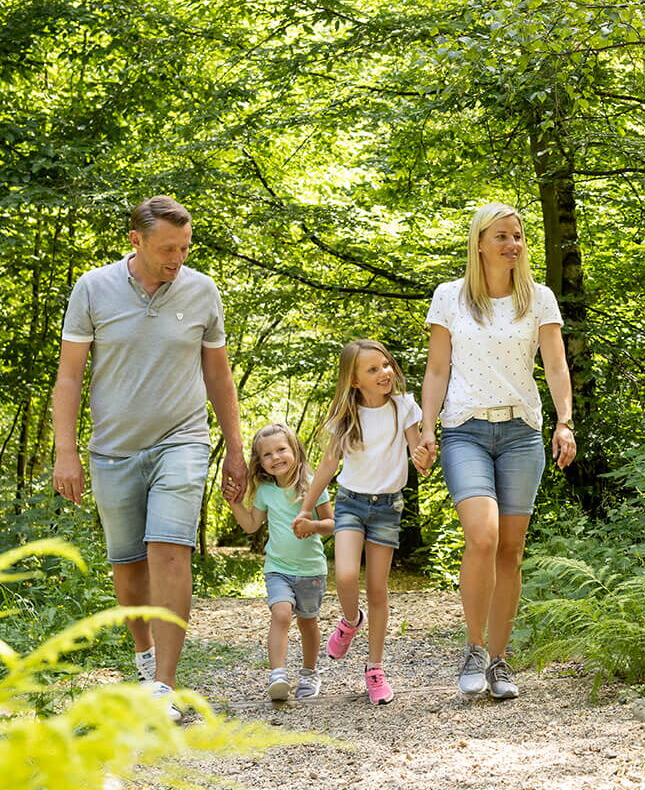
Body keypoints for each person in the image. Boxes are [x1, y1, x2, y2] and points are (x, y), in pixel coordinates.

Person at [52, 195, 247, 721]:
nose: (177, 258)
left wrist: (234, 446)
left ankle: (166, 683)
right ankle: (144, 660)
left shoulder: (203, 291)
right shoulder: (93, 288)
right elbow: (69, 375)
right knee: (129, 565)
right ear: (135, 241)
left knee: (170, 549)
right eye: (167, 248)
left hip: (181, 440)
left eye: (184, 248)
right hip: (113, 449)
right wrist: (65, 450)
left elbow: (218, 376)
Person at [419, 202, 576, 700]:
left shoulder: (539, 298)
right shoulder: (450, 298)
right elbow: (438, 370)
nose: (514, 244)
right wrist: (426, 429)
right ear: (480, 242)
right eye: (503, 236)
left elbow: (555, 366)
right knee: (482, 538)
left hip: (521, 433)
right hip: (464, 429)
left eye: (519, 236)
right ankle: (473, 648)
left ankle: (500, 662)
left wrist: (564, 422)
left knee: (510, 549)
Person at [296, 339, 430, 705]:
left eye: (385, 365)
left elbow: (418, 453)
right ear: (355, 381)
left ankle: (375, 669)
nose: (384, 373)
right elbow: (327, 466)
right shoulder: (346, 416)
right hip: (351, 503)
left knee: (378, 588)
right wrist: (307, 508)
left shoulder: (404, 408)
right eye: (373, 370)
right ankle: (351, 620)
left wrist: (423, 457)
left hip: (388, 506)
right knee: (345, 577)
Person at [226, 423, 332, 702]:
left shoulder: (313, 485)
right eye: (267, 454)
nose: (275, 457)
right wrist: (234, 503)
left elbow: (333, 524)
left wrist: (313, 525)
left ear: (295, 450)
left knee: (308, 622)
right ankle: (278, 676)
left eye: (281, 449)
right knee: (281, 614)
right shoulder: (264, 491)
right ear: (259, 463)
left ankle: (309, 673)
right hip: (278, 569)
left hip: (311, 570)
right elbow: (251, 525)